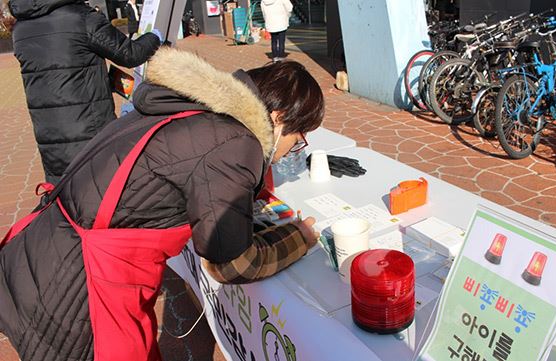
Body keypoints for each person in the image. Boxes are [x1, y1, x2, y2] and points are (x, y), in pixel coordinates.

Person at [0, 47, 324, 361]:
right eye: (298, 139)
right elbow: (231, 263)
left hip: (42, 252)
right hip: (78, 288)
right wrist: (299, 237)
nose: (293, 150)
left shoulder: (193, 108)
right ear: (279, 118)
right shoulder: (235, 141)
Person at [9, 0, 161, 185]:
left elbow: (61, 69)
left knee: (64, 193)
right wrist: (154, 36)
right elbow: (130, 54)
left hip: (49, 138)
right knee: (103, 191)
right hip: (91, 134)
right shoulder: (82, 18)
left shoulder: (21, 29)